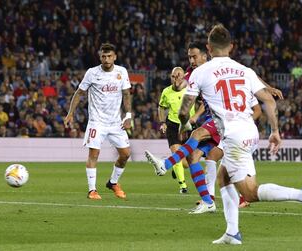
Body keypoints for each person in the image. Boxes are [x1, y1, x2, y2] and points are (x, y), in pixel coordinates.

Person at [177, 24, 302, 245]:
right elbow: (269, 100)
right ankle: (232, 233)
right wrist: (275, 131)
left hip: (233, 137)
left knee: (250, 192)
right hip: (249, 132)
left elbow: (184, 109)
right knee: (223, 177)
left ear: (208, 47)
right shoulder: (245, 70)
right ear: (231, 47)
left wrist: (185, 124)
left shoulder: (200, 72)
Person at [146, 42, 281, 212]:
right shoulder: (193, 73)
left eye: (194, 56)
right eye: (189, 57)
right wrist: (178, 83)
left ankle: (165, 164)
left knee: (197, 134)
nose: (191, 60)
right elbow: (182, 87)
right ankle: (208, 201)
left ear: (205, 55)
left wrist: (268, 88)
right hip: (215, 119)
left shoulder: (217, 68)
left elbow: (248, 75)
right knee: (194, 156)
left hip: (226, 120)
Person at [64, 43, 132, 200]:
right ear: (100, 57)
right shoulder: (92, 73)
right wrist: (70, 113)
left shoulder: (121, 71)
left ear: (114, 57)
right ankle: (92, 190)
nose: (106, 59)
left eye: (109, 56)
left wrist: (128, 116)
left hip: (116, 122)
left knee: (126, 154)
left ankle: (113, 182)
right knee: (94, 154)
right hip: (97, 122)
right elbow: (79, 92)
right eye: (103, 56)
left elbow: (127, 94)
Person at [158, 66, 196, 193]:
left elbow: (201, 103)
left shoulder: (191, 89)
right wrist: (163, 122)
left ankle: (175, 168)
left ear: (184, 76)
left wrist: (196, 117)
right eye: (173, 76)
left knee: (187, 163)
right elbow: (162, 107)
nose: (176, 79)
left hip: (188, 126)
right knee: (176, 154)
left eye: (179, 75)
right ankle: (183, 186)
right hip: (173, 126)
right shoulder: (166, 92)